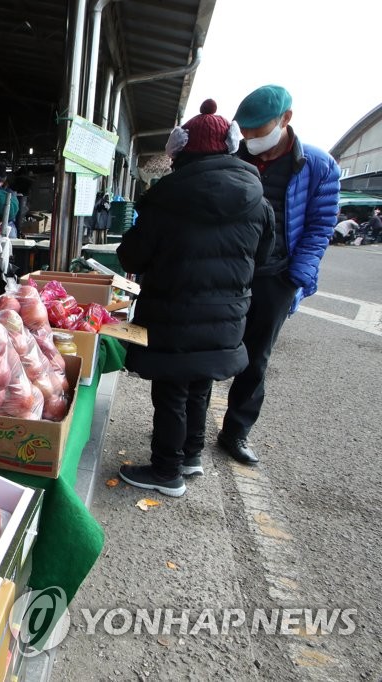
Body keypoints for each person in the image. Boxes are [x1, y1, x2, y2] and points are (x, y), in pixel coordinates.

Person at [116, 99, 275, 497]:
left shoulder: (166, 197)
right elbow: (265, 257)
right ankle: (191, 456)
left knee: (171, 388)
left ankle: (167, 471)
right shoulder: (258, 198)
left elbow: (133, 255)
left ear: (179, 150)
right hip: (227, 313)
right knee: (200, 382)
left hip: (172, 313)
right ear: (231, 146)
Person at [217, 85, 340, 465]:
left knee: (256, 358)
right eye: (246, 131)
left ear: (286, 119)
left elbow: (321, 226)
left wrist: (297, 275)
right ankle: (186, 438)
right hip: (228, 270)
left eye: (259, 130)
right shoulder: (234, 157)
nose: (251, 139)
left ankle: (235, 433)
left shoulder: (318, 165)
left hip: (277, 275)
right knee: (209, 346)